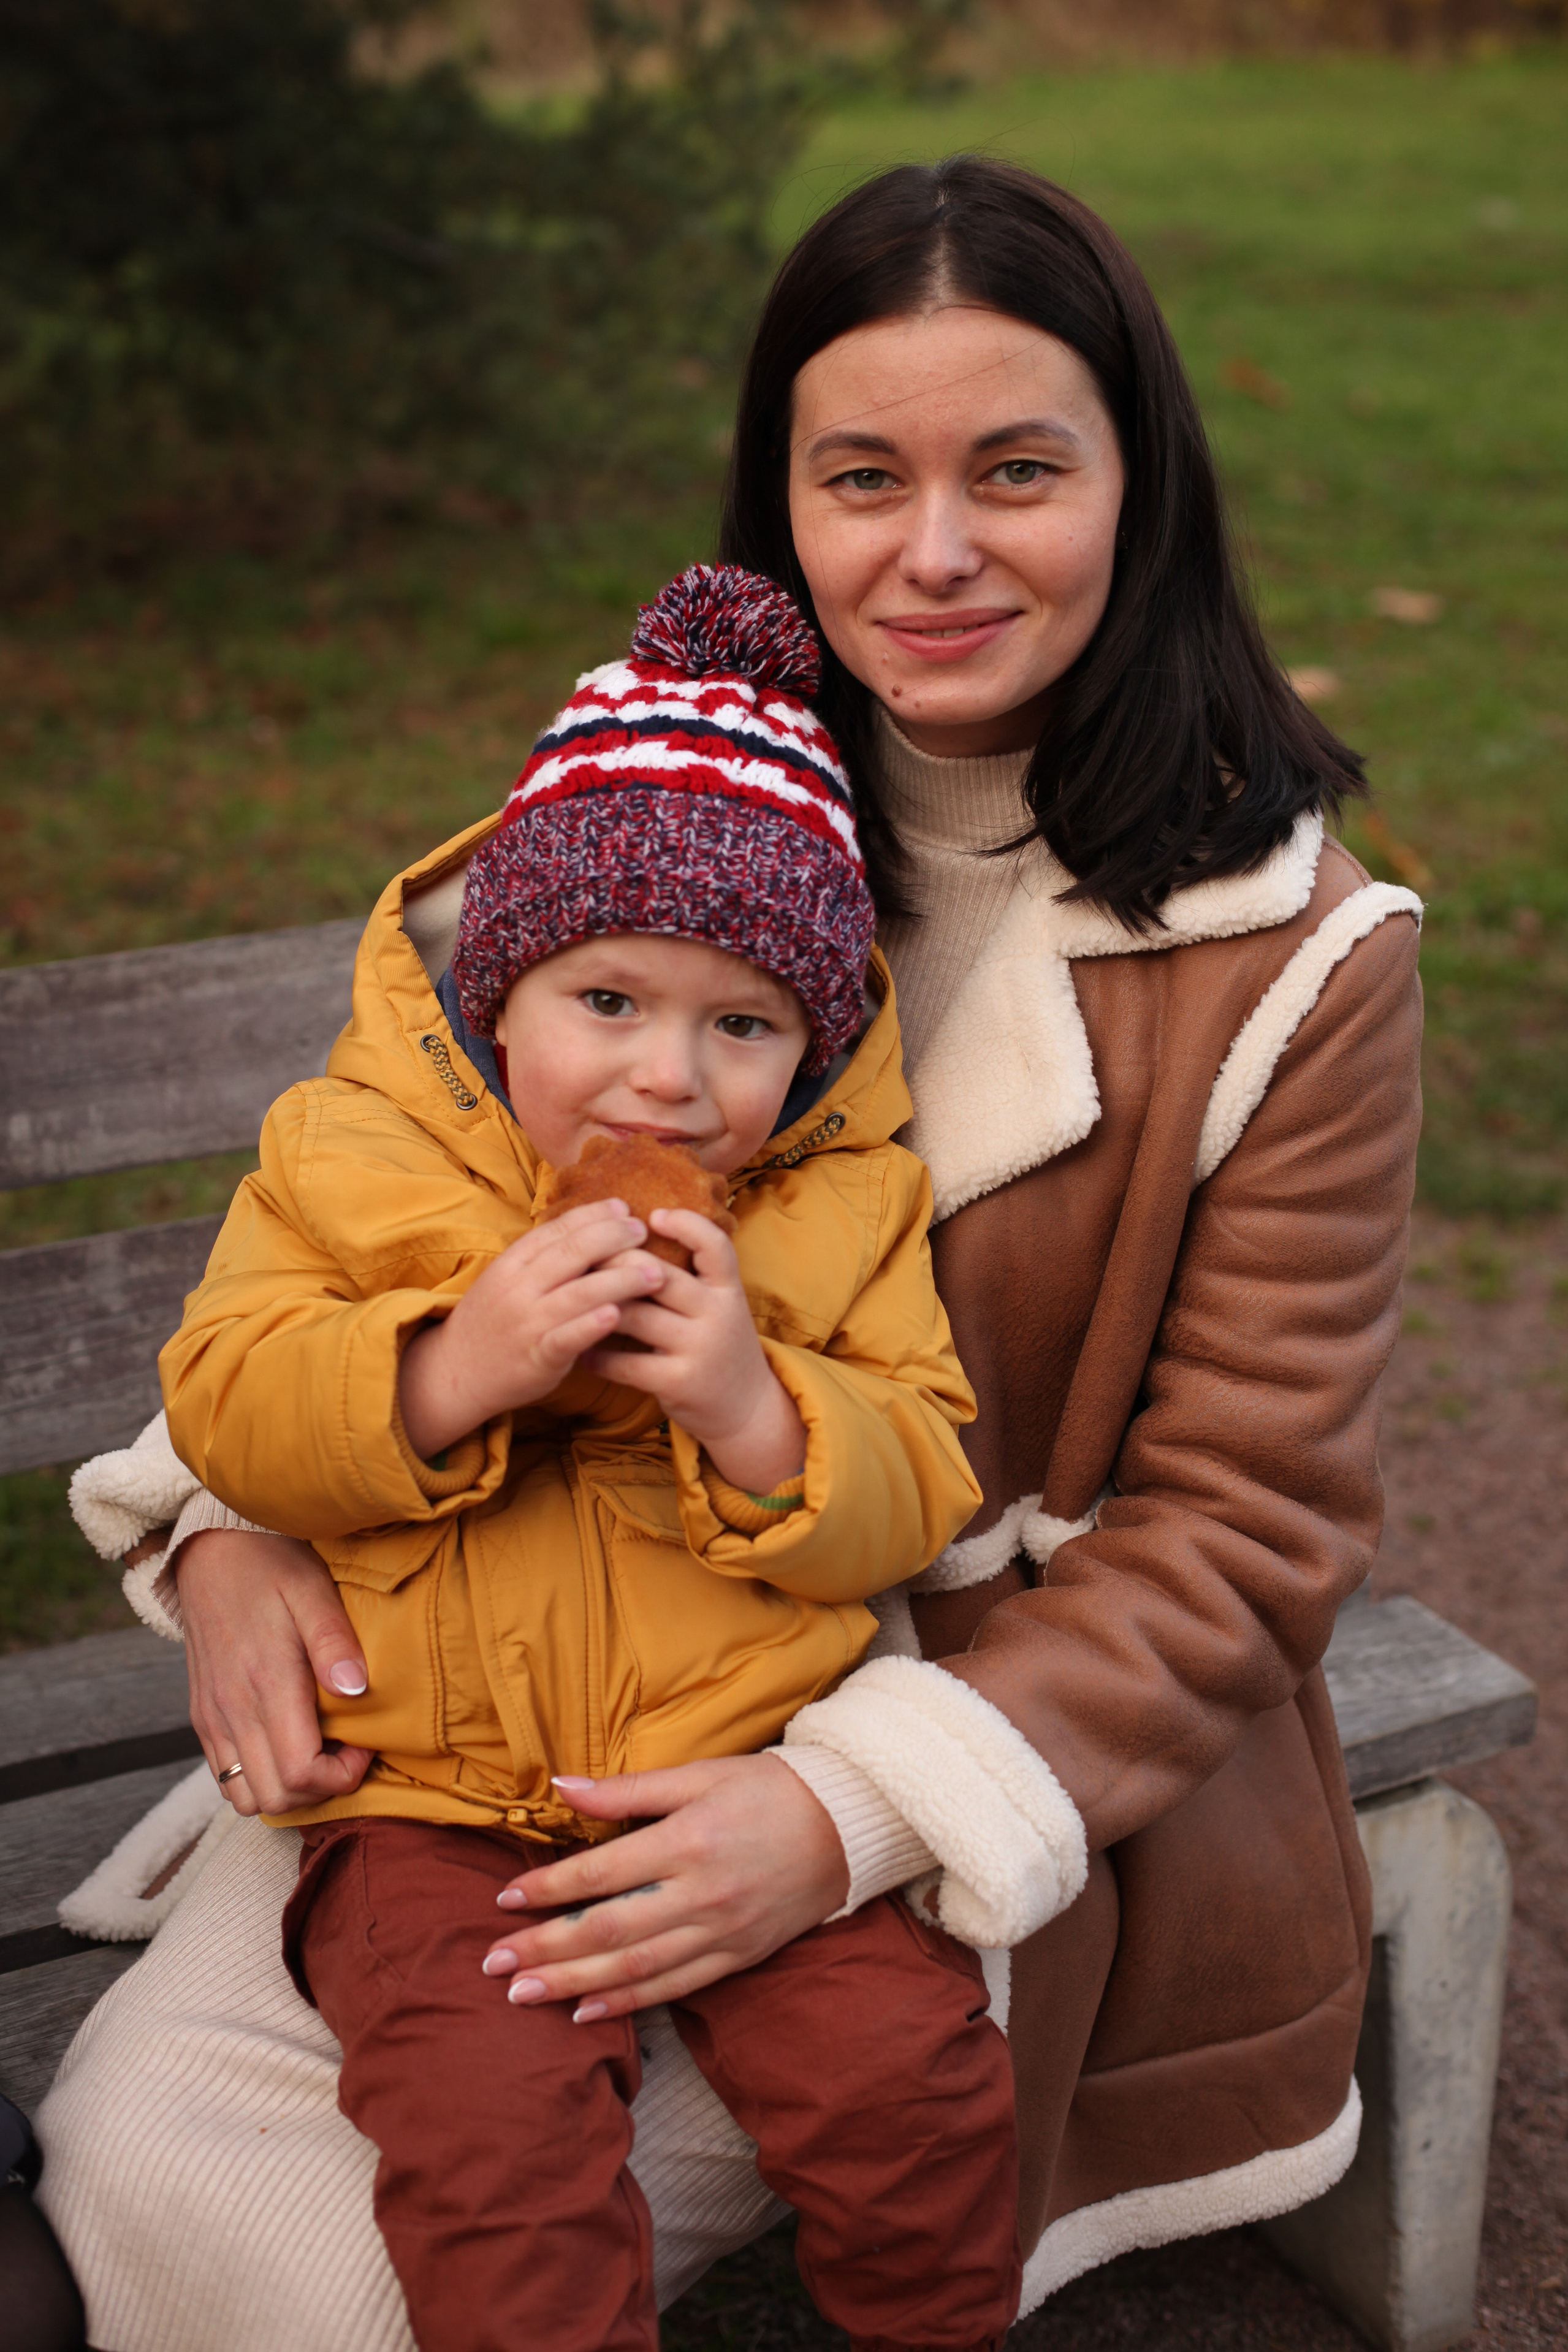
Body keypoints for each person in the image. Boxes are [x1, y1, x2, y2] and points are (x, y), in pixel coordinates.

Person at [39, 154, 1423, 2352]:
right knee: (150, 2162)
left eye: (1021, 470)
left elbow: (1251, 1527)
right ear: (781, 501)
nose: (936, 550)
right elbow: (357, 1227)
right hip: (464, 1682)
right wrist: (223, 1536)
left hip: (926, 1716)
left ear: (1141, 491)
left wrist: (847, 1813)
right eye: (861, 474)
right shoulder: (653, 829)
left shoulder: (1294, 963)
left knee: (387, 2283)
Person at [154, 563, 1014, 2352]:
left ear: (819, 1043)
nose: (670, 1084)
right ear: (504, 992)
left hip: (739, 1763)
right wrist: (453, 1364)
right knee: (494, 2162)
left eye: (744, 1026)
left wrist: (755, 1410)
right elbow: (228, 1402)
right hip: (427, 1801)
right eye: (607, 1002)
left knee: (910, 2092)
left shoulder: (850, 1207)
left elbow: (921, 1473)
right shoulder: (352, 1156)